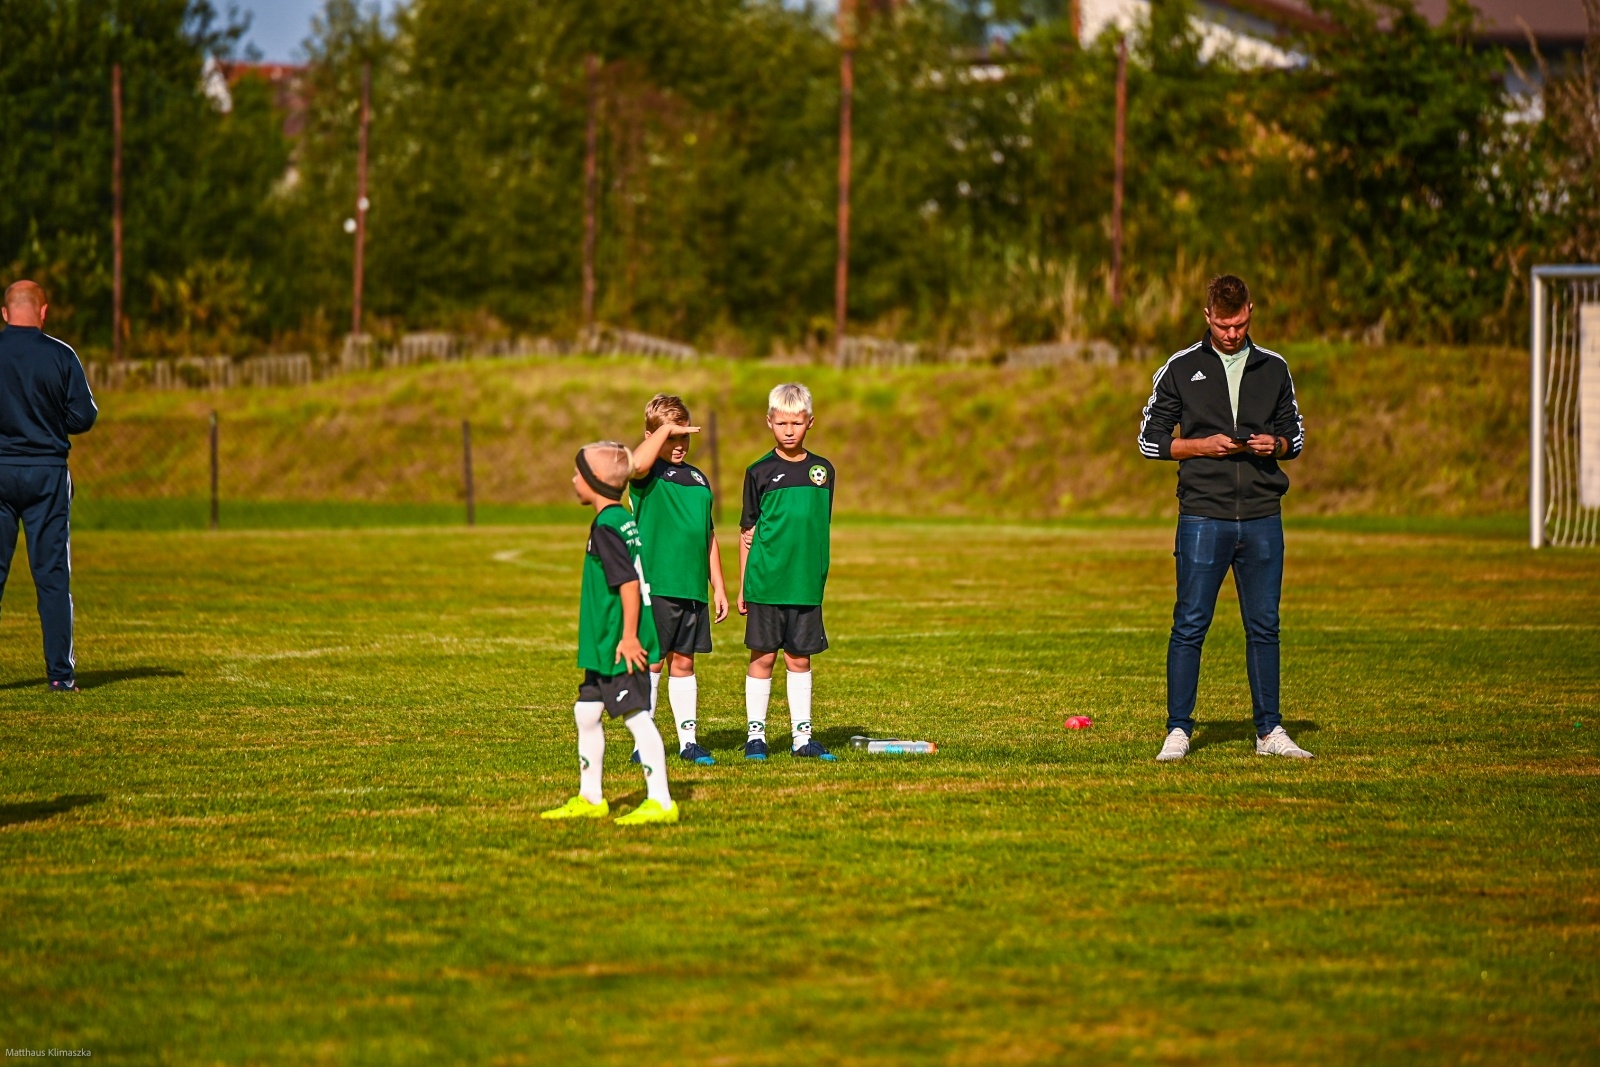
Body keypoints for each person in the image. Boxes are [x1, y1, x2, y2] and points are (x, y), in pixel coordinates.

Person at [1137, 274, 1312, 762]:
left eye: (1238, 324)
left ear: (1250, 312)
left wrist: (1272, 445)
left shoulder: (1274, 369)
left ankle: (1269, 732)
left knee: (1265, 625)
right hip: (1202, 516)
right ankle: (1178, 730)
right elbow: (1149, 441)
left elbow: (1294, 438)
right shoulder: (1180, 368)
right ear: (1207, 316)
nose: (1231, 333)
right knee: (1190, 622)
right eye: (1222, 325)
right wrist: (1201, 447)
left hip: (1261, 516)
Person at [541, 442, 680, 825]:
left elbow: (629, 584)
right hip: (605, 643)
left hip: (620, 644)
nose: (573, 479)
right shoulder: (620, 519)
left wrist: (630, 636)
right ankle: (590, 796)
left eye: (578, 473)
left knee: (636, 715)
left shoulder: (606, 528)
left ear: (596, 481)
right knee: (586, 711)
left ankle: (661, 800)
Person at [0, 280, 98, 692]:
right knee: (53, 576)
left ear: (4, 313)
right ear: (43, 312)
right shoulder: (61, 355)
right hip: (46, 474)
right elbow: (83, 418)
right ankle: (60, 675)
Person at [738, 383, 837, 762]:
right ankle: (756, 738)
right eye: (782, 423)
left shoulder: (823, 471)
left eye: (797, 422)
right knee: (762, 657)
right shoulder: (759, 471)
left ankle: (802, 738)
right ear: (769, 423)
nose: (789, 430)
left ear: (810, 422)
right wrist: (744, 583)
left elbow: (817, 526)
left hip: (805, 584)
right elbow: (747, 533)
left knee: (800, 659)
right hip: (766, 582)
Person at [628, 394, 728, 766]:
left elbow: (708, 534)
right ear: (653, 435)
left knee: (684, 664)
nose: (679, 445)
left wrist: (716, 583)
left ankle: (688, 742)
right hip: (658, 586)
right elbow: (636, 462)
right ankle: (644, 743)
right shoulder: (645, 474)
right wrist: (663, 431)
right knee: (654, 662)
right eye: (671, 437)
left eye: (684, 437)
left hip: (691, 588)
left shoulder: (699, 478)